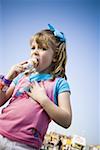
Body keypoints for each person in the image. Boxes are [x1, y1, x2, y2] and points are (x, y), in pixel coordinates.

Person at [0, 24, 72, 150]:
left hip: (25, 144)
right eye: (33, 48)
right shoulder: (22, 77)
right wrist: (8, 78)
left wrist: (43, 99)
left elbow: (66, 121)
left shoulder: (59, 83)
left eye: (43, 48)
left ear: (55, 56)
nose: (35, 52)